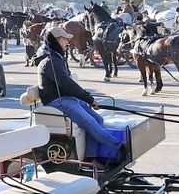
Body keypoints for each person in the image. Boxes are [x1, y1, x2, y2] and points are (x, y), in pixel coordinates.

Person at [35, 25, 124, 164]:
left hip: (67, 99)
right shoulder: (50, 61)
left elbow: (69, 86)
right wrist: (88, 99)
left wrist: (88, 99)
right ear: (56, 41)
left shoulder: (57, 58)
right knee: (90, 122)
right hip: (57, 101)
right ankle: (120, 148)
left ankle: (90, 158)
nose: (67, 42)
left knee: (98, 120)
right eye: (65, 39)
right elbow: (67, 84)